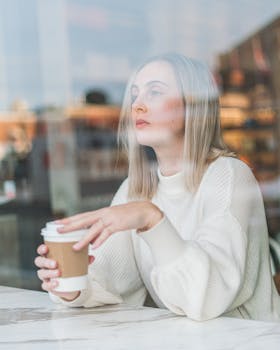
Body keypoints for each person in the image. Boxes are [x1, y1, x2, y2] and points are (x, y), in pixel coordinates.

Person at [34, 53, 280, 321]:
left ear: (192, 105)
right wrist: (69, 283)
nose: (138, 105)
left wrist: (151, 219)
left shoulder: (228, 174)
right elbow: (108, 277)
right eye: (135, 95)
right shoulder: (136, 189)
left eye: (155, 92)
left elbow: (205, 299)